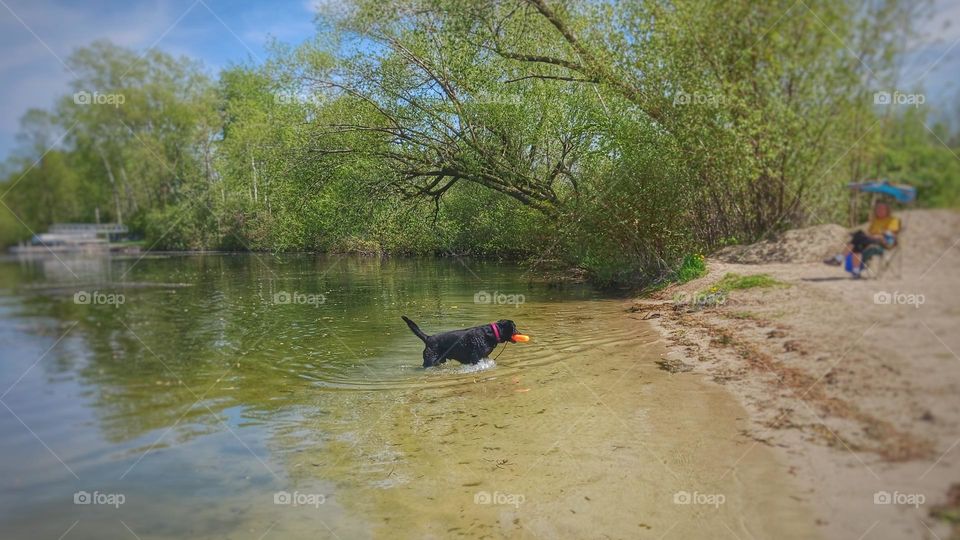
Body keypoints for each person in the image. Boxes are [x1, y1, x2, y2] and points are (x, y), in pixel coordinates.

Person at [824, 201, 900, 277]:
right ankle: (855, 272)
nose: (879, 210)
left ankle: (839, 259)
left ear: (887, 210)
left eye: (882, 209)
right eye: (878, 209)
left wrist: (879, 235)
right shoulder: (875, 220)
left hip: (884, 242)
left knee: (858, 236)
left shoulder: (893, 220)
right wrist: (872, 235)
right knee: (857, 245)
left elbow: (892, 233)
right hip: (872, 240)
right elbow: (870, 232)